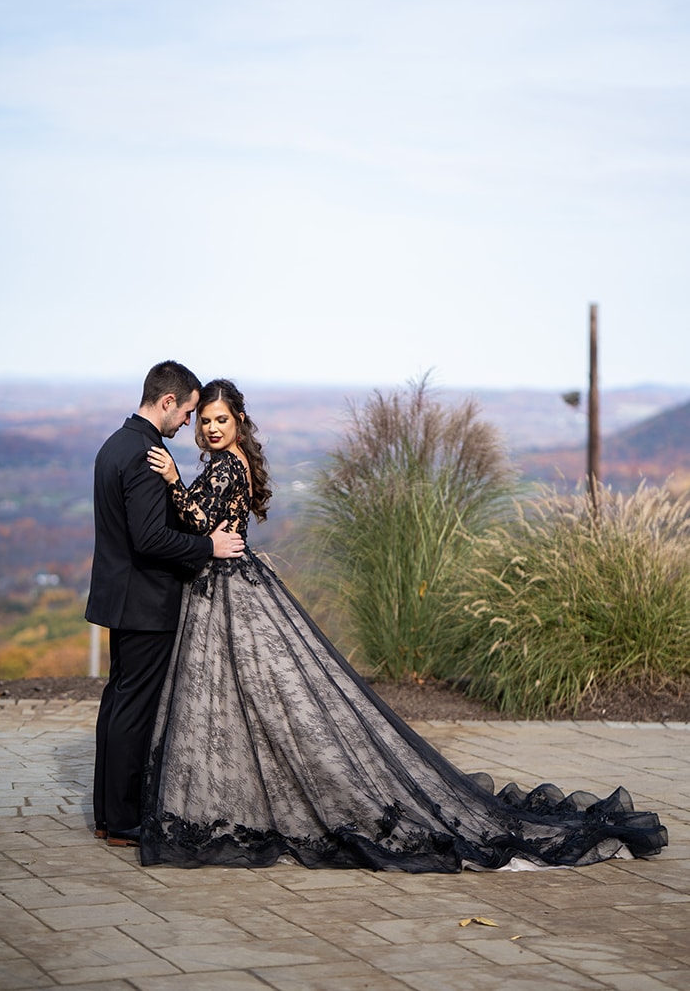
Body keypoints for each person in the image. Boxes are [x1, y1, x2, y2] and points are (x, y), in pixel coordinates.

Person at [140, 378, 667, 871]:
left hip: (228, 586)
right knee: (251, 694)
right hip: (236, 580)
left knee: (243, 693)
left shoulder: (224, 467)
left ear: (238, 423)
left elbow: (199, 522)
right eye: (205, 420)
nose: (210, 428)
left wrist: (172, 481)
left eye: (220, 420)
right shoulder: (238, 463)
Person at [86, 361, 244, 847]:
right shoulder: (148, 455)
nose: (189, 425)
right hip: (146, 600)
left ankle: (107, 814)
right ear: (168, 401)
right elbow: (151, 538)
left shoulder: (116, 443)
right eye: (189, 413)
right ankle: (125, 820)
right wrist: (207, 548)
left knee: (117, 702)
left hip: (118, 595)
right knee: (133, 708)